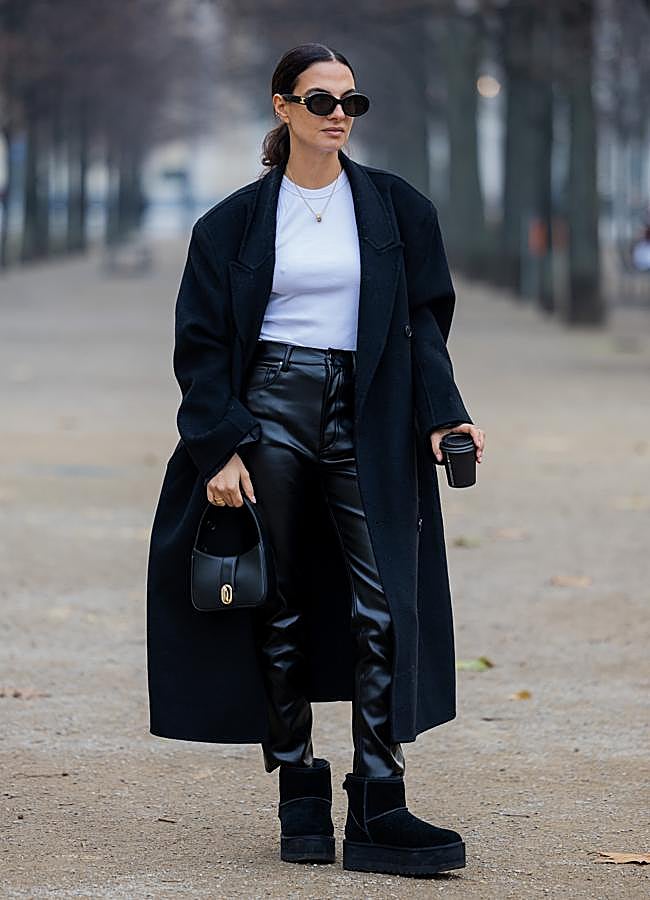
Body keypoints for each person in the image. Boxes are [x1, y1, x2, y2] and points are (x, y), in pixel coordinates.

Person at [146, 42, 485, 878]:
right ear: (282, 108)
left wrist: (448, 418)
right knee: (279, 603)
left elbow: (423, 330)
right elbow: (201, 350)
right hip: (269, 411)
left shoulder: (399, 211)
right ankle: (299, 785)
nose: (340, 114)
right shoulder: (230, 224)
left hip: (366, 410)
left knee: (382, 602)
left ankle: (380, 798)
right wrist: (220, 447)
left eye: (351, 103)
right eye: (322, 99)